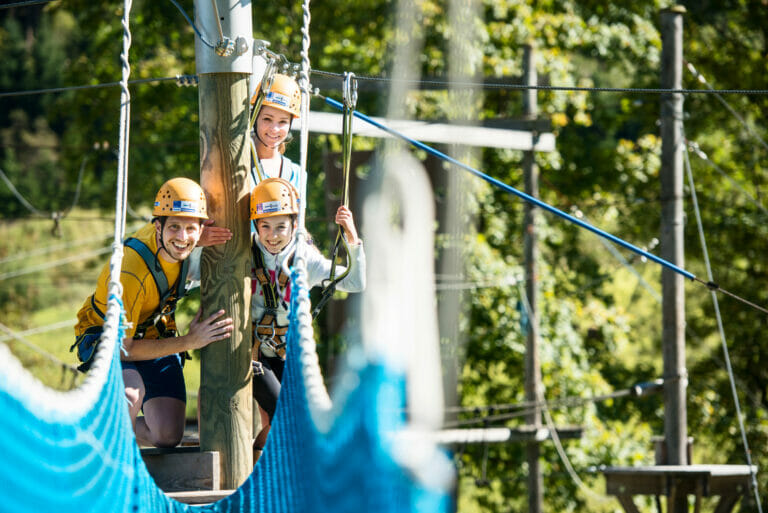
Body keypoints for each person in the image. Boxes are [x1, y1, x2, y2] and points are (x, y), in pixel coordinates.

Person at [72, 177, 234, 448]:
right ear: (157, 226)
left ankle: (106, 426)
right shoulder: (130, 269)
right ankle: (111, 460)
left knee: (167, 436)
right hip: (108, 337)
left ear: (202, 228)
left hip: (154, 334)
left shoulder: (189, 247)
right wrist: (188, 342)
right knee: (129, 394)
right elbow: (125, 348)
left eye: (190, 229)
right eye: (174, 228)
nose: (182, 238)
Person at [249, 177, 365, 460]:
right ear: (255, 225)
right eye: (265, 226)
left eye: (281, 227)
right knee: (282, 410)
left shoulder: (304, 258)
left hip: (287, 354)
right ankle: (254, 458)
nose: (272, 235)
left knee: (303, 422)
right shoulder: (243, 252)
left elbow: (355, 282)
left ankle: (257, 457)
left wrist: (352, 237)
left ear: (293, 225)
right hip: (252, 354)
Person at [250, 73, 305, 191]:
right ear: (254, 118)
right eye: (267, 119)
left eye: (283, 122)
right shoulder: (237, 165)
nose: (274, 129)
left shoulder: (296, 173)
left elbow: (299, 211)